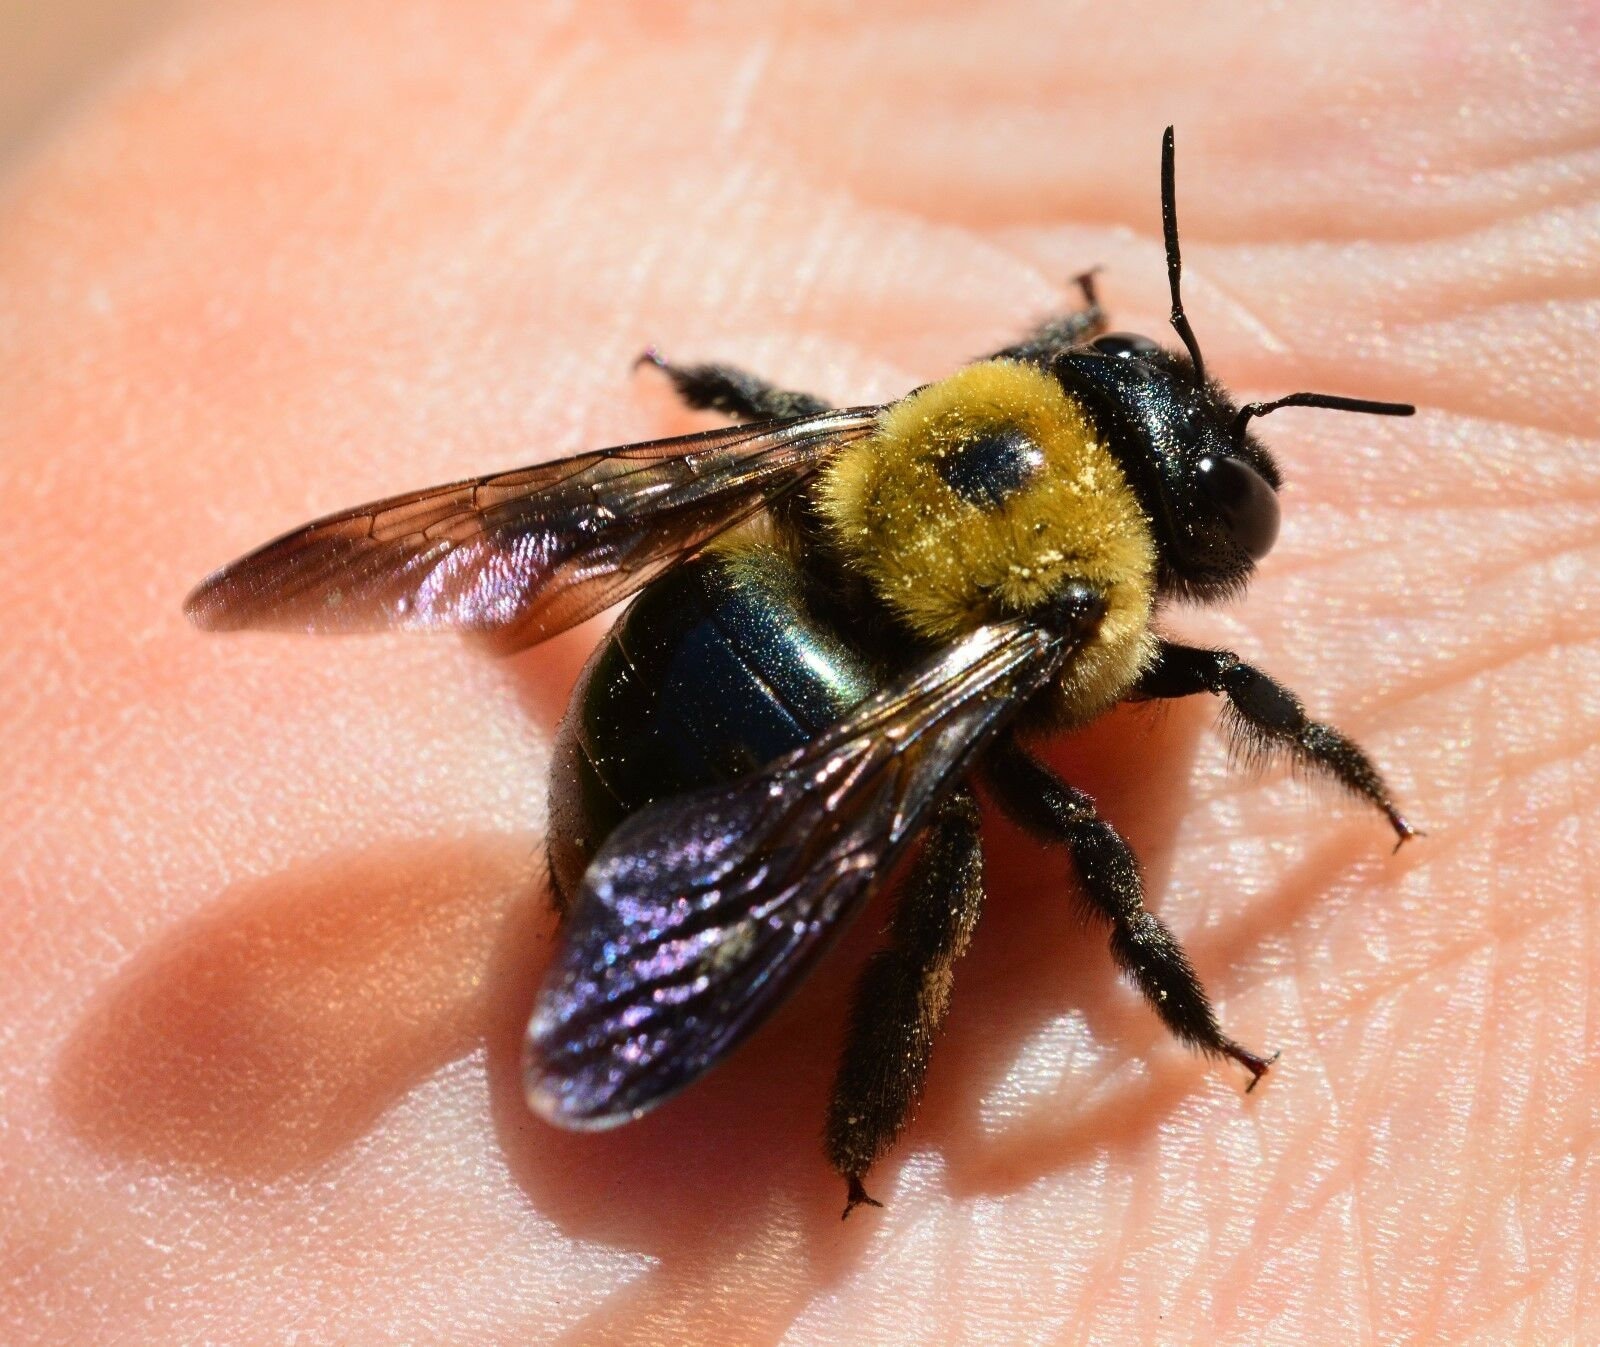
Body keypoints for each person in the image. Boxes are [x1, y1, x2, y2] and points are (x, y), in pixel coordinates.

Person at [3, 4, 1592, 1343]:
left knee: (765, 511)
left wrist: (726, 393)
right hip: (751, 754)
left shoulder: (890, 437)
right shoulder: (1053, 621)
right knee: (979, 852)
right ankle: (862, 1129)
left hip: (697, 654)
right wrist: (1330, 803)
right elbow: (1163, 779)